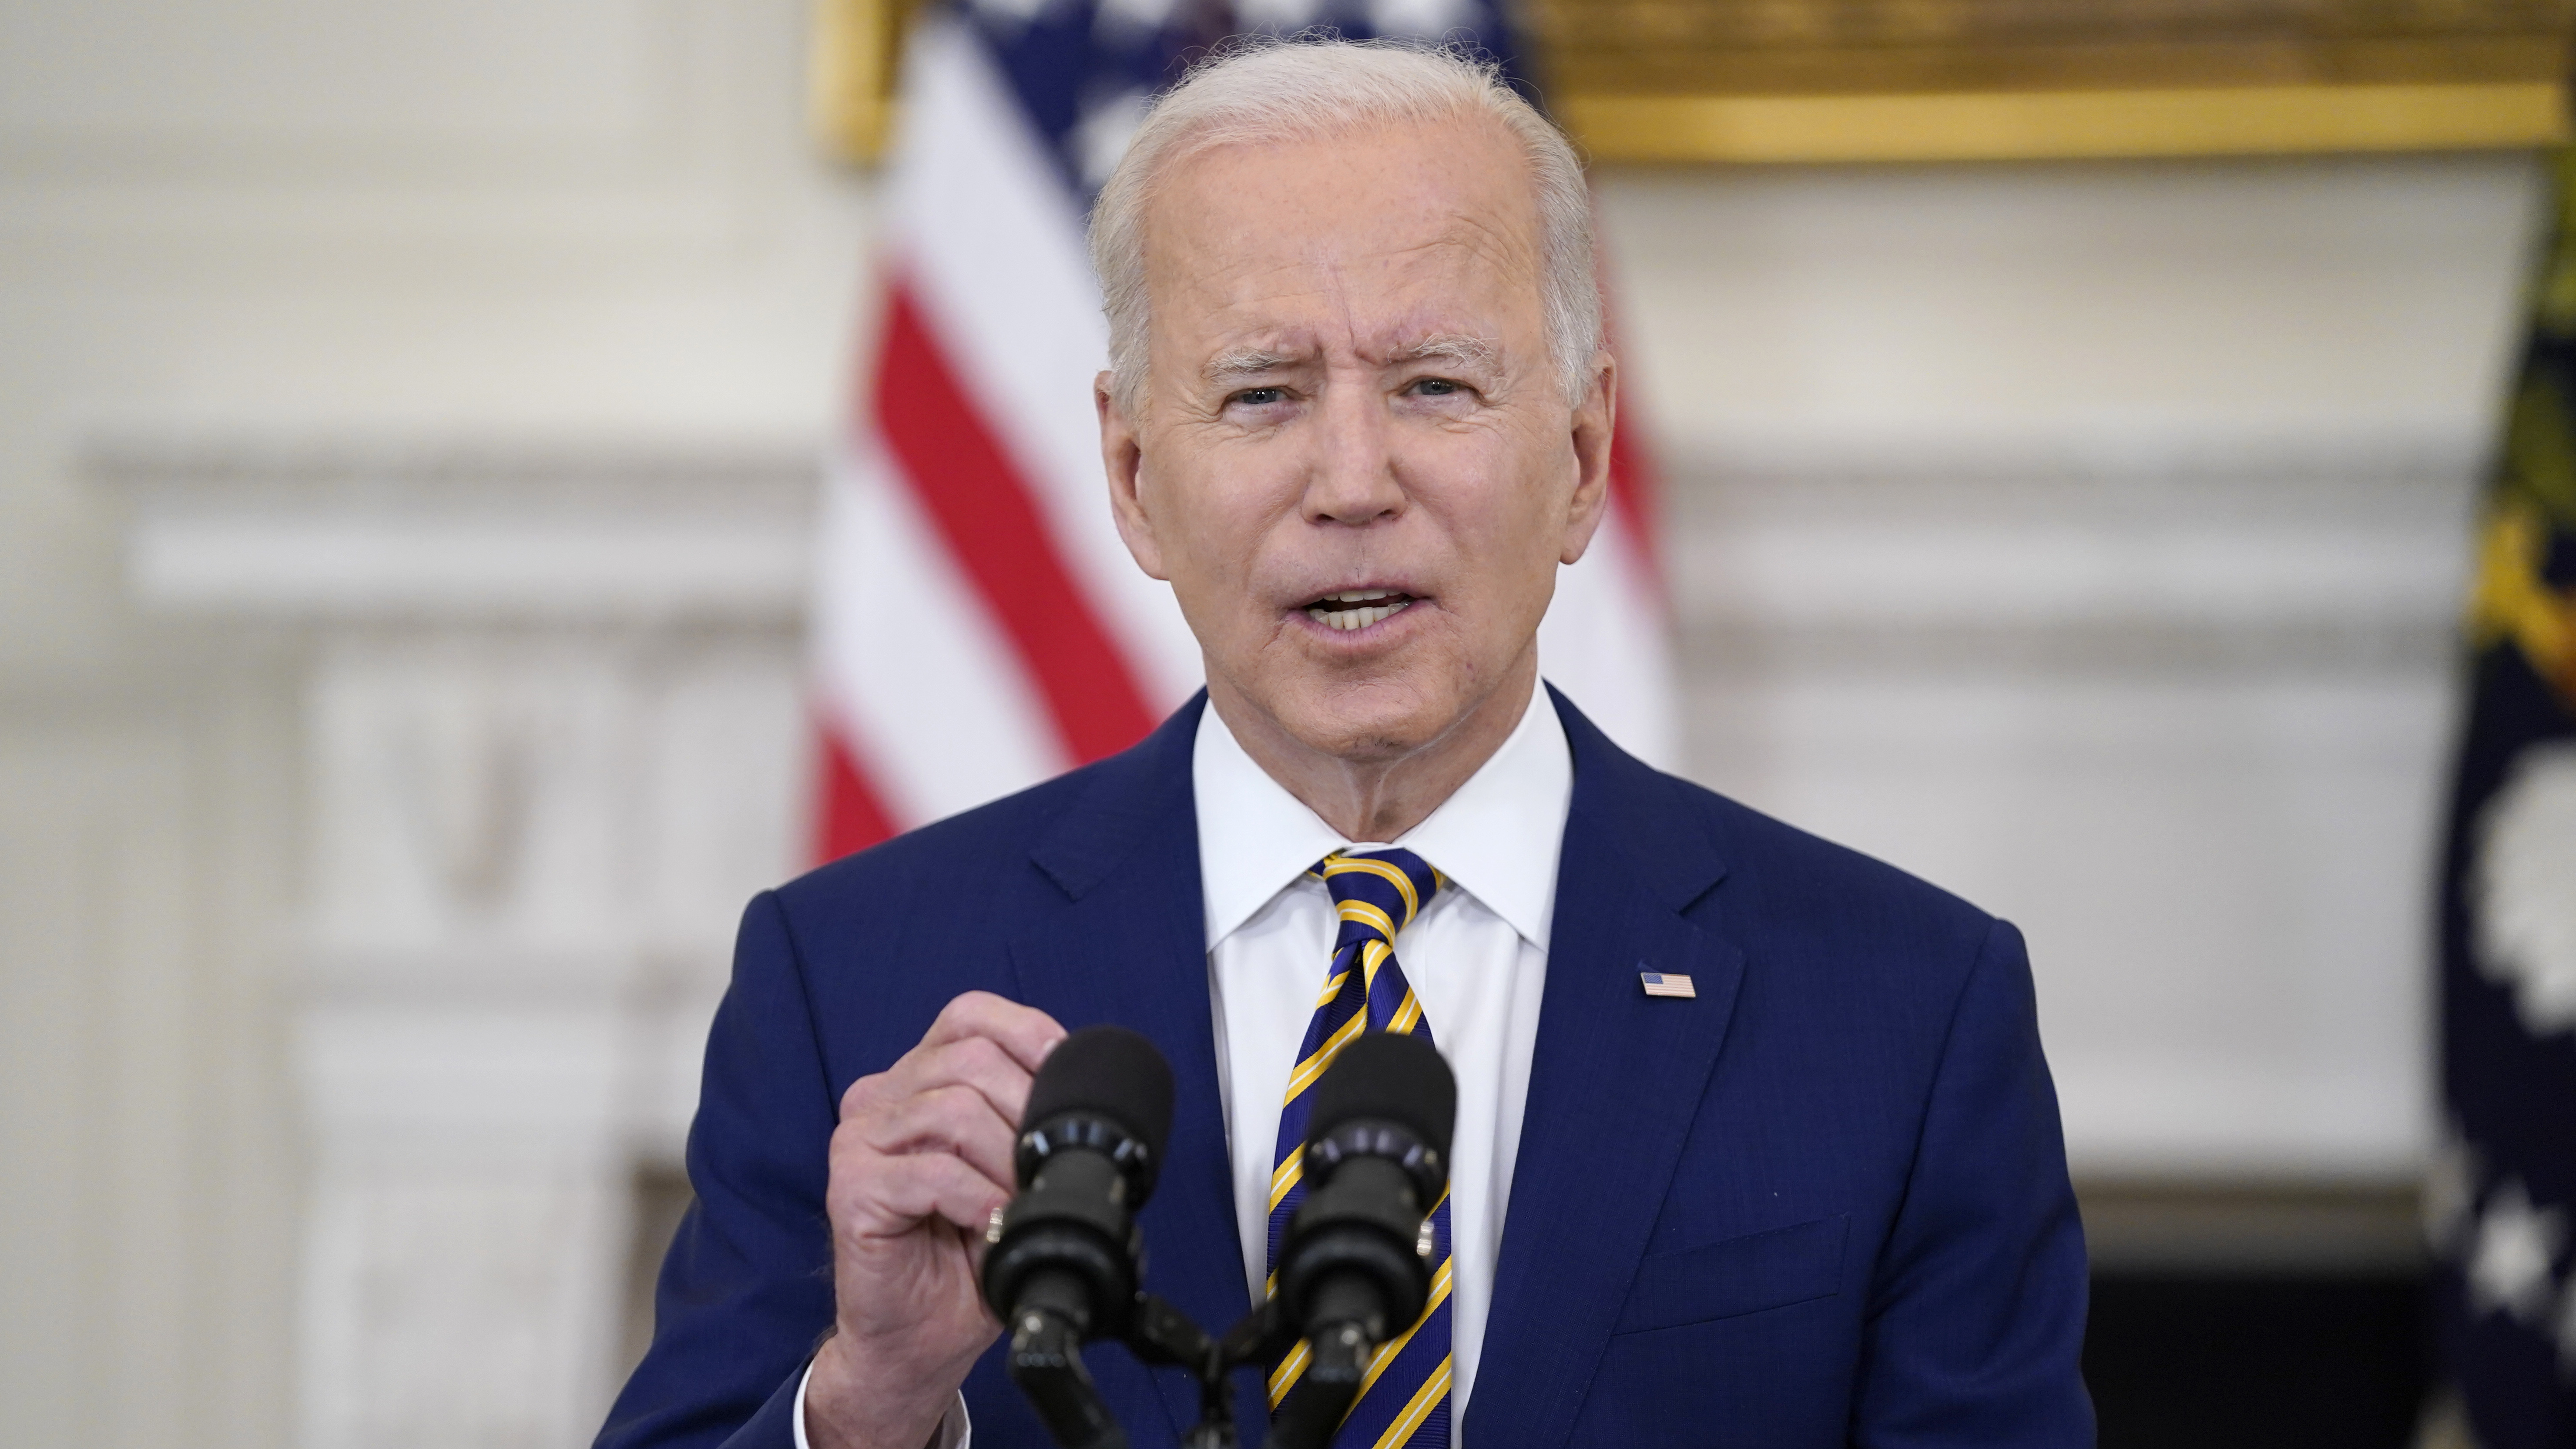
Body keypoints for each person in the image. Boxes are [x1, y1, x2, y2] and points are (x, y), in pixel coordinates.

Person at [598, 36, 2092, 1449]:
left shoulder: (1904, 1013)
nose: (1353, 479)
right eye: (1263, 394)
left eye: (1437, 386)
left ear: (1580, 457)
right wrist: (868, 1399)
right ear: (1132, 479)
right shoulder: (855, 983)